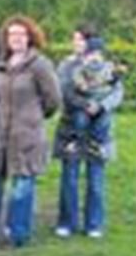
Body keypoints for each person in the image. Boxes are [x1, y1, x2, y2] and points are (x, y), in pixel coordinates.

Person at [0, 16, 61, 247]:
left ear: (30, 37)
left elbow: (53, 100)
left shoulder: (40, 65)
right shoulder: (1, 64)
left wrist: (33, 118)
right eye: (12, 35)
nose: (16, 39)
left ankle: (18, 233)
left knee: (22, 186)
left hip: (27, 136)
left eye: (21, 34)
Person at [53, 27, 124, 239]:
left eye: (81, 40)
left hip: (99, 131)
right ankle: (67, 223)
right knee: (70, 177)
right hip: (71, 129)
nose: (77, 43)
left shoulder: (107, 68)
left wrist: (101, 107)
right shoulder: (67, 66)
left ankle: (94, 224)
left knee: (96, 179)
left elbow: (117, 92)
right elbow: (63, 91)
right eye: (74, 39)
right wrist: (85, 104)